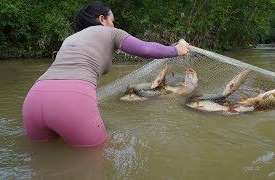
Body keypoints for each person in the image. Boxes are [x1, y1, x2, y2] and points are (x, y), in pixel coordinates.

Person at [22, 1, 189, 147]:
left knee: (43, 160)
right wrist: (177, 49)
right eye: (112, 21)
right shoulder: (111, 33)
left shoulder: (70, 39)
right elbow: (144, 48)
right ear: (102, 19)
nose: (113, 25)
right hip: (71, 100)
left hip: (34, 99)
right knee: (98, 160)